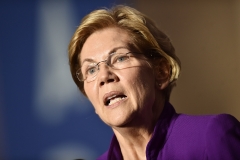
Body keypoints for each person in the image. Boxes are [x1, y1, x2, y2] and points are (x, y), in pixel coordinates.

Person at [68, 5, 240, 160]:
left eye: (119, 58)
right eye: (91, 70)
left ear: (161, 72)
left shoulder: (210, 138)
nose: (104, 76)